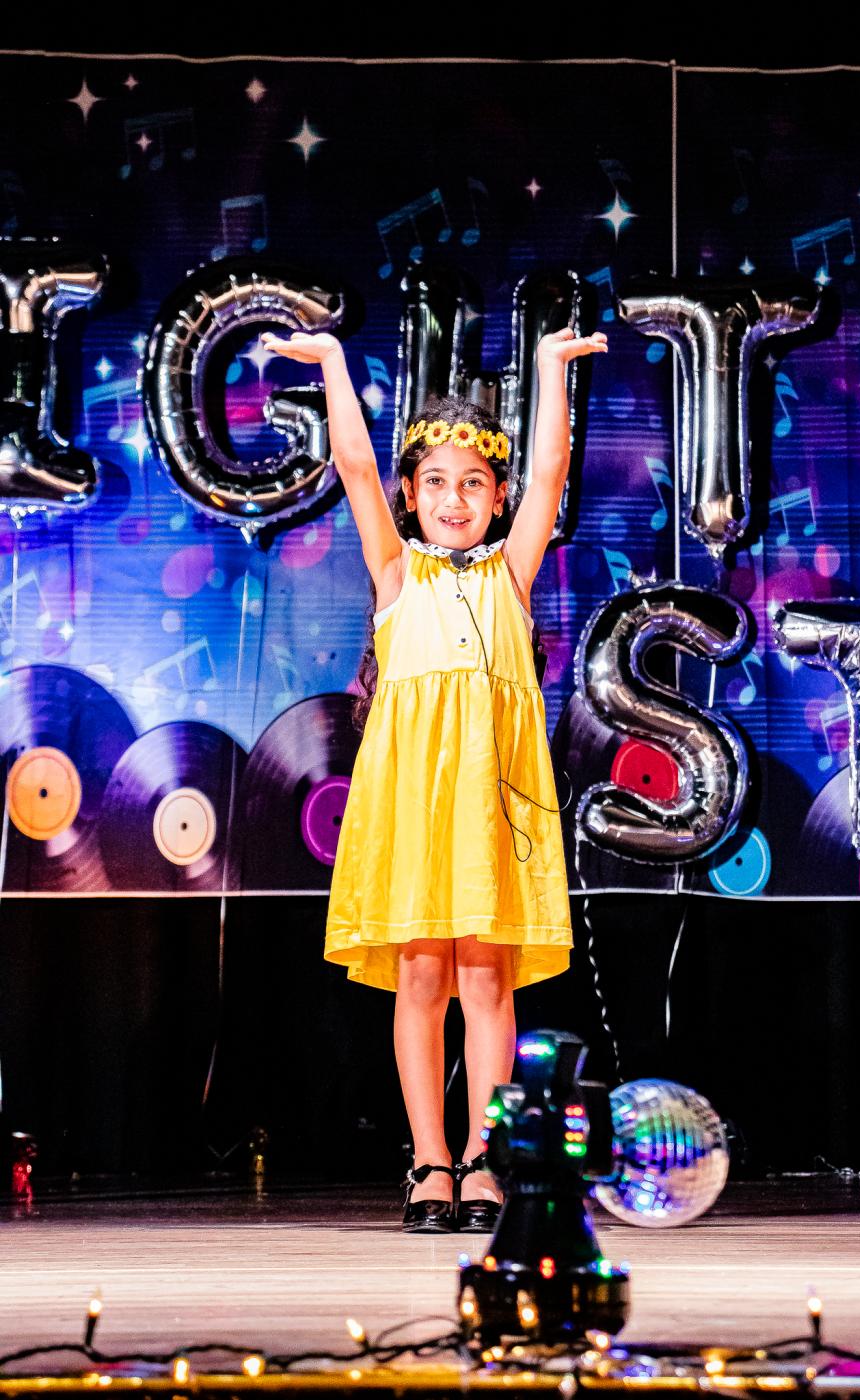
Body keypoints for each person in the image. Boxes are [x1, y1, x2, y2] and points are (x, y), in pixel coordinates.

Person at [261, 324, 607, 1232]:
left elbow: (550, 476)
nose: (456, 499)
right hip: (414, 804)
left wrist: (545, 374)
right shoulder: (393, 572)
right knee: (422, 975)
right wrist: (337, 364)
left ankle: (487, 1161)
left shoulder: (511, 572)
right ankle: (428, 1162)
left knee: (488, 981)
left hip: (491, 807)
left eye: (474, 483)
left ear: (494, 498)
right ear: (413, 496)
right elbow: (354, 467)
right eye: (438, 483)